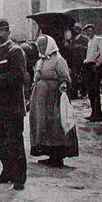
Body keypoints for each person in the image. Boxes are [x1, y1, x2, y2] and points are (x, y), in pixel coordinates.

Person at [0, 18, 28, 189]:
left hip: (12, 106)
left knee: (14, 142)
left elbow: (19, 78)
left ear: (8, 32)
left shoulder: (15, 51)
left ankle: (19, 178)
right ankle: (7, 171)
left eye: (0, 32)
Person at [29, 35, 79, 168]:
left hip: (53, 98)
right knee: (42, 124)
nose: (41, 48)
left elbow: (65, 78)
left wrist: (63, 85)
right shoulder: (40, 61)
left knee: (55, 125)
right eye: (39, 46)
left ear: (49, 45)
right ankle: (49, 154)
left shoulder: (58, 60)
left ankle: (58, 157)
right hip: (40, 99)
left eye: (43, 45)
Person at [82, 23, 102, 122]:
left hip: (95, 67)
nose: (89, 33)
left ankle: (98, 115)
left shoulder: (99, 40)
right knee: (90, 92)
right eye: (87, 31)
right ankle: (93, 113)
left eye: (90, 31)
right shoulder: (89, 42)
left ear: (93, 31)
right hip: (88, 66)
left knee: (95, 91)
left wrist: (98, 63)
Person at [69, 24, 89, 99]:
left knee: (84, 77)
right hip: (74, 62)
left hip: (83, 61)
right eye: (74, 29)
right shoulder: (72, 40)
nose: (75, 31)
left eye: (76, 29)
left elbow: (87, 49)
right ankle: (74, 94)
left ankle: (84, 93)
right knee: (74, 78)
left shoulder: (84, 39)